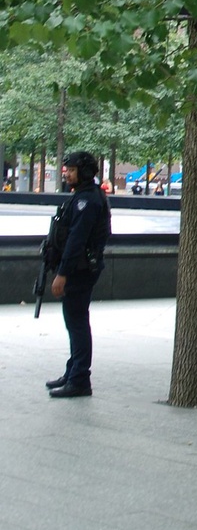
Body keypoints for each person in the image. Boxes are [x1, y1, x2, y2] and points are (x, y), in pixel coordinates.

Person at [46, 151, 111, 399]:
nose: (67, 173)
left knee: (77, 323)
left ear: (83, 172)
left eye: (72, 170)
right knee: (75, 322)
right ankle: (73, 371)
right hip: (79, 267)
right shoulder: (84, 197)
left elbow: (76, 239)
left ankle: (79, 379)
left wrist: (62, 273)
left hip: (80, 270)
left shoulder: (88, 201)